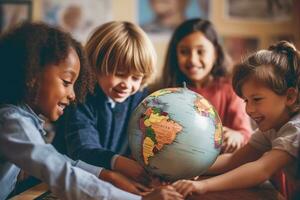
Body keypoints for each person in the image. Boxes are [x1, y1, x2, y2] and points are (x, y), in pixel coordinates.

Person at [0, 22, 183, 200]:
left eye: (135, 77)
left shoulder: (22, 118)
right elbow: (61, 172)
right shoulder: (12, 121)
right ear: (32, 77)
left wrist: (109, 175)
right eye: (66, 82)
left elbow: (62, 162)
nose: (73, 95)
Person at [172, 40, 300, 199]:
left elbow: (261, 169)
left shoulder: (296, 129)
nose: (249, 109)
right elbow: (235, 159)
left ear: (289, 97)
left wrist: (202, 186)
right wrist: (189, 168)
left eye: (257, 99)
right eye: (246, 100)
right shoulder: (272, 127)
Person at [54, 21, 156, 190]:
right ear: (96, 66)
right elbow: (82, 150)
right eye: (120, 74)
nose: (127, 84)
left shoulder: (140, 98)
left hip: (110, 179)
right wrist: (120, 163)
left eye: (136, 78)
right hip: (69, 176)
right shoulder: (80, 97)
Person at [162, 18, 252, 153]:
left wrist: (236, 135)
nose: (192, 60)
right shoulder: (167, 94)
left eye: (201, 51)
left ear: (215, 53)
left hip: (222, 166)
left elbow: (246, 134)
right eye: (184, 51)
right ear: (175, 55)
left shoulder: (230, 89)